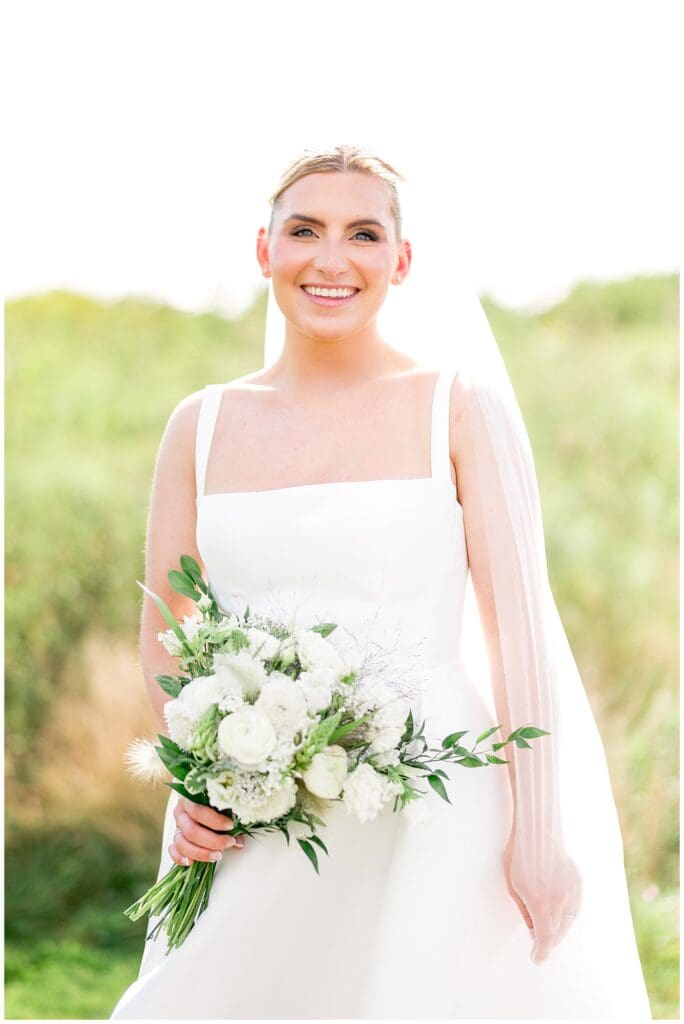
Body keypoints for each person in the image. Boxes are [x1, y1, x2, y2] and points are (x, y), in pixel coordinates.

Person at [111, 145, 652, 1019]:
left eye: (363, 233)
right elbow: (166, 623)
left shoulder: (457, 404)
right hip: (260, 809)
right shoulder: (201, 425)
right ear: (264, 250)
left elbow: (517, 631)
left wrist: (540, 836)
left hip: (439, 803)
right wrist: (193, 780)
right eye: (305, 230)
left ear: (400, 262)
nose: (332, 258)